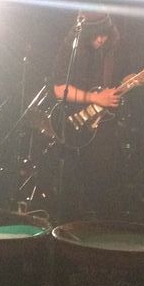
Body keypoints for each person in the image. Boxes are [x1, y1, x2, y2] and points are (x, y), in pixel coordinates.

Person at [50, 11, 131, 221]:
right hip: (73, 121)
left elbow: (123, 78)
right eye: (96, 35)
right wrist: (95, 98)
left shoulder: (115, 50)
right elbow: (59, 89)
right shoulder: (71, 47)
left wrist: (133, 80)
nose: (101, 39)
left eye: (105, 34)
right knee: (70, 182)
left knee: (101, 180)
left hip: (103, 125)